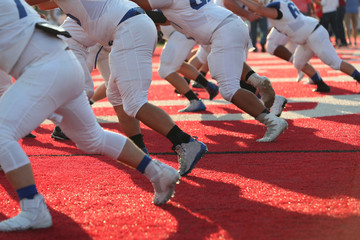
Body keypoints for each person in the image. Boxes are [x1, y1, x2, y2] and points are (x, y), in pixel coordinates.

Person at [0, 0, 180, 231]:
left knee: (2, 134)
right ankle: (159, 172)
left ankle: (33, 208)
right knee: (92, 138)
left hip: (45, 69)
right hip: (64, 64)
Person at [29, 0, 208, 176]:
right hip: (127, 28)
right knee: (116, 97)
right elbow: (44, 4)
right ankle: (139, 151)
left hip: (128, 29)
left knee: (134, 103)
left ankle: (185, 142)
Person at [131, 0, 288, 142]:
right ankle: (256, 80)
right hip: (229, 25)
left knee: (228, 89)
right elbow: (164, 18)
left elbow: (140, 4)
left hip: (221, 31)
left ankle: (272, 121)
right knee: (223, 63)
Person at [240, 0, 360, 90]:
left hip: (314, 34)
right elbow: (258, 8)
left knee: (334, 62)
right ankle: (320, 83)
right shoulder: (282, 3)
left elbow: (259, 9)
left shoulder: (277, 9)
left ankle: (358, 77)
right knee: (298, 63)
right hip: (306, 37)